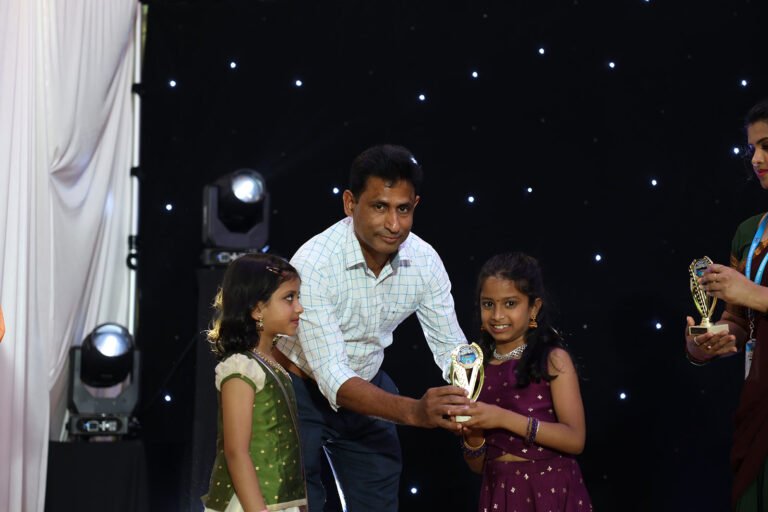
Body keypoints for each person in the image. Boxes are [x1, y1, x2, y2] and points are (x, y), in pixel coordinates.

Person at [274, 144, 471, 511]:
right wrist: (415, 412)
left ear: (415, 205)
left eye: (403, 209)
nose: (393, 225)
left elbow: (451, 347)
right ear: (350, 203)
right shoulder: (314, 265)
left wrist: (471, 393)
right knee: (296, 506)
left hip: (367, 383)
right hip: (298, 390)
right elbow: (333, 375)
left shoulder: (424, 260)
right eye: (379, 207)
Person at [685, 99, 768, 511]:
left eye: (767, 146)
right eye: (752, 148)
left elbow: (749, 298)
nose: (756, 159)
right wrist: (710, 340)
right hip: (759, 402)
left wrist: (752, 293)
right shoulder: (749, 233)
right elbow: (738, 320)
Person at [460, 252, 592, 511]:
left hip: (551, 490)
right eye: (488, 304)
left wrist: (501, 418)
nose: (497, 315)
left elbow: (575, 440)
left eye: (510, 303)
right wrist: (472, 435)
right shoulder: (475, 369)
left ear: (534, 308)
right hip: (499, 493)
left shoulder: (553, 360)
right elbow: (476, 466)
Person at [202, 254, 307, 512]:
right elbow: (236, 452)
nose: (299, 308)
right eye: (289, 298)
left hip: (280, 502)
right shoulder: (241, 366)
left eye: (298, 297)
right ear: (257, 309)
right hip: (250, 503)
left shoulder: (272, 364)